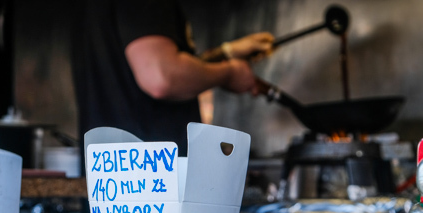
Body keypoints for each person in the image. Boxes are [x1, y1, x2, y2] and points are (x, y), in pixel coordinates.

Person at [72, 0, 273, 157]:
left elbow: (144, 65)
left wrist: (225, 53)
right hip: (152, 184)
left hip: (111, 182)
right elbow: (161, 78)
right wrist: (228, 73)